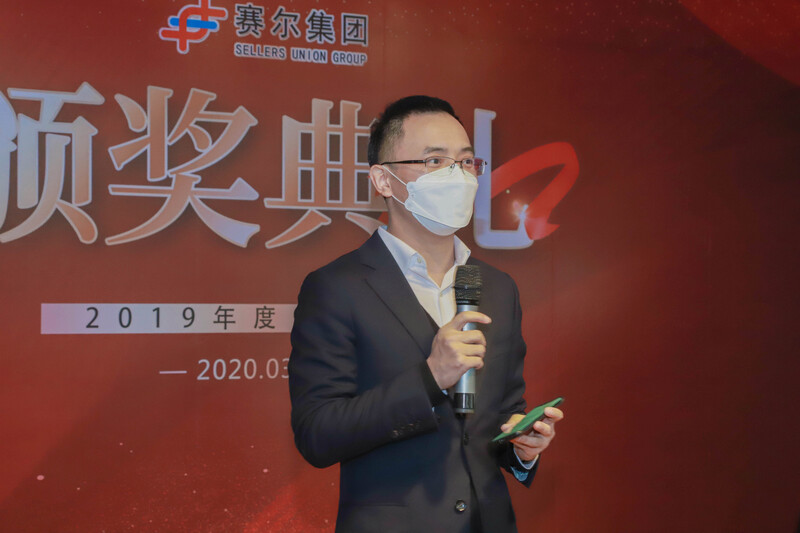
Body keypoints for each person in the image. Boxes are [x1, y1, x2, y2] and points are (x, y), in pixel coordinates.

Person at [288, 95, 564, 533]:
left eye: (466, 162)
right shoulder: (337, 287)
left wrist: (520, 446)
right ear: (384, 179)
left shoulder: (497, 287)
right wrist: (430, 377)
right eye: (435, 161)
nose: (457, 175)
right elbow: (318, 434)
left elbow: (500, 414)